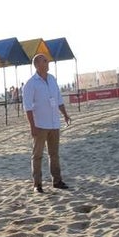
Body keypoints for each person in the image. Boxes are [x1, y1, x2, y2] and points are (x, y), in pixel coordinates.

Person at [22, 53, 72, 193]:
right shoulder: (31, 84)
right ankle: (37, 184)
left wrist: (65, 115)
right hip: (40, 125)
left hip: (54, 123)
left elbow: (58, 99)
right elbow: (28, 107)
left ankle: (57, 181)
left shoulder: (52, 79)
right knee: (37, 155)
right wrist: (32, 126)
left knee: (54, 154)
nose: (47, 62)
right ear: (37, 65)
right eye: (44, 61)